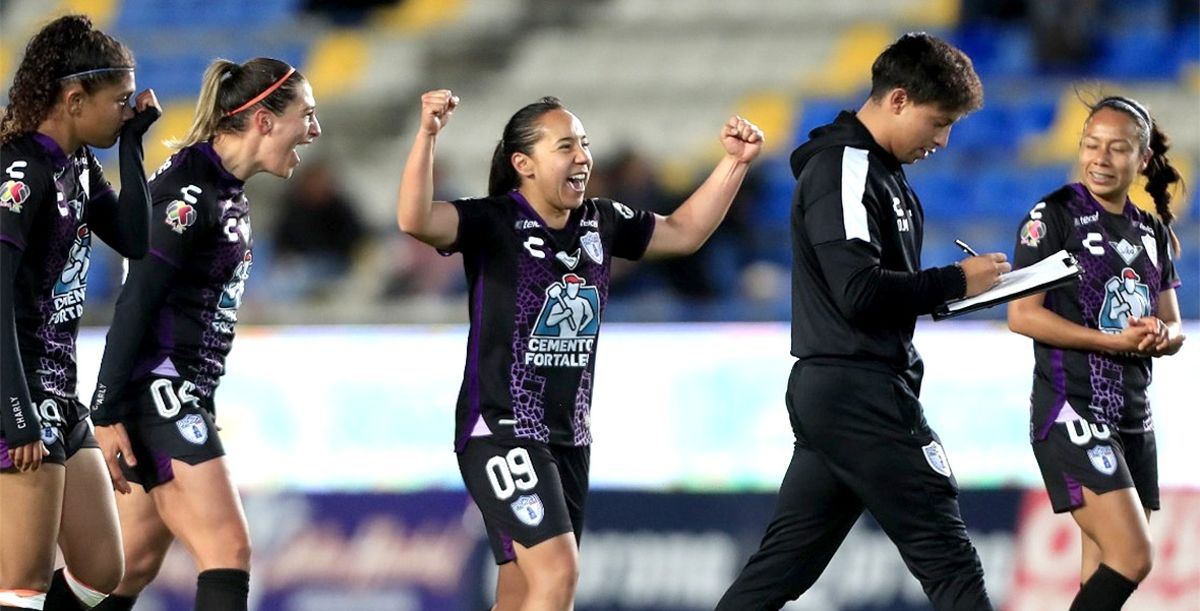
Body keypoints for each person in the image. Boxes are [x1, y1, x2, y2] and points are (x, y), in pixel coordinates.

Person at [396, 90, 762, 611]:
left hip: (569, 436)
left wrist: (734, 163)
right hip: (502, 428)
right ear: (523, 164)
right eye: (565, 145)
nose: (583, 156)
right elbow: (415, 219)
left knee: (522, 590)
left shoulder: (601, 220)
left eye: (584, 144)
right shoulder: (495, 221)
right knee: (558, 574)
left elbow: (682, 233)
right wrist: (428, 135)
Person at [715, 33, 1009, 611]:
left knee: (778, 573)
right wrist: (954, 281)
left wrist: (954, 295)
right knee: (950, 560)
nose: (944, 140)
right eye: (939, 121)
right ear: (898, 100)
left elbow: (877, 294)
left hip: (847, 389)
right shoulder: (845, 169)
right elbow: (858, 292)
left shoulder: (881, 173)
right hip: (859, 392)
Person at [85, 57, 321, 611]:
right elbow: (137, 299)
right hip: (160, 392)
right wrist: (107, 411)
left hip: (178, 392)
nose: (314, 131)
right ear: (263, 121)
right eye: (306, 116)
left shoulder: (222, 186)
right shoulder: (190, 194)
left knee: (127, 567)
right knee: (228, 548)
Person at [0, 14, 160, 611]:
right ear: (73, 99)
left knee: (100, 571)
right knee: (22, 584)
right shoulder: (21, 170)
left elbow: (137, 239)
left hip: (59, 394)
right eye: (119, 101)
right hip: (17, 395)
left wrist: (133, 143)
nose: (128, 108)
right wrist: (16, 415)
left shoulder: (79, 167)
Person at [1007, 95, 1185, 611]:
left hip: (1133, 417)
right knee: (1134, 557)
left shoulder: (1152, 232)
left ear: (1142, 159)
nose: (1100, 158)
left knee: (1102, 571)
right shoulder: (1052, 217)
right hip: (1074, 409)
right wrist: (1112, 342)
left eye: (1117, 148)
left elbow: (1173, 325)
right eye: (1091, 145)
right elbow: (1022, 315)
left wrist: (1159, 335)